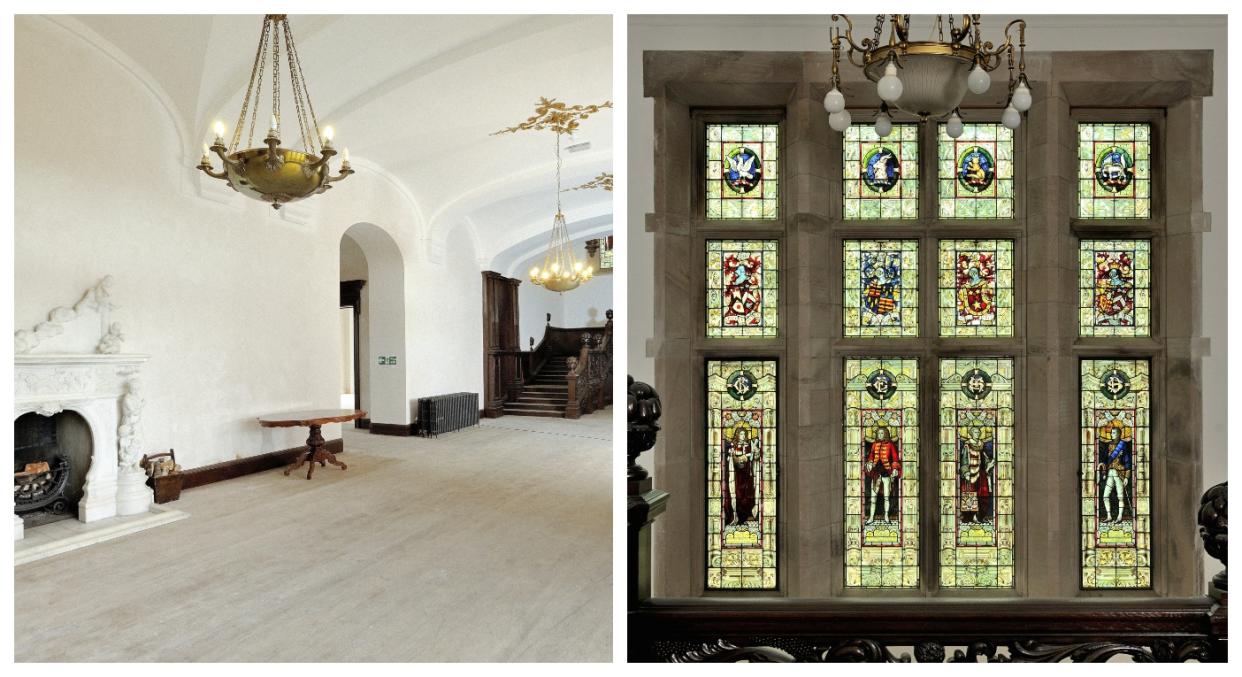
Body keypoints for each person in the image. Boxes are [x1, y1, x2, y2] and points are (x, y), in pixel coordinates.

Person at [864, 425, 901, 524]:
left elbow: (895, 458)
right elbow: (871, 456)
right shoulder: (874, 445)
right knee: (873, 497)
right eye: (878, 433)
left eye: (882, 433)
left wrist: (894, 469)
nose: (880, 435)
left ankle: (886, 516)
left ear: (885, 434)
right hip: (876, 473)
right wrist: (870, 463)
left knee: (886, 497)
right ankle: (871, 517)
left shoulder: (890, 445)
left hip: (886, 473)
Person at [958, 426, 995, 524]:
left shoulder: (981, 445)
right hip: (970, 474)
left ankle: (980, 516)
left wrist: (989, 464)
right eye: (975, 432)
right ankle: (969, 517)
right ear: (971, 433)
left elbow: (984, 459)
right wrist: (965, 472)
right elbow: (964, 460)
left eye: (978, 432)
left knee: (983, 495)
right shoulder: (967, 445)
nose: (977, 433)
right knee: (970, 495)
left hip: (981, 473)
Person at [1097, 424, 1132, 524]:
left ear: (1119, 434)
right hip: (1110, 472)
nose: (1111, 435)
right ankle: (1109, 516)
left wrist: (1126, 477)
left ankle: (1119, 517)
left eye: (1114, 433)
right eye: (1111, 433)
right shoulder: (1109, 445)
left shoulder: (1122, 445)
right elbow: (1107, 460)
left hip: (1120, 473)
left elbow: (1127, 461)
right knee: (1105, 496)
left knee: (1120, 496)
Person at [723, 426, 757, 526]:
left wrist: (747, 456)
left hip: (746, 474)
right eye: (741, 434)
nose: (743, 436)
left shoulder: (749, 445)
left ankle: (746, 515)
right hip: (737, 475)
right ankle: (736, 516)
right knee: (737, 493)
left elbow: (751, 457)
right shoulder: (733, 445)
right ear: (737, 435)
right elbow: (732, 459)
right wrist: (734, 457)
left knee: (747, 494)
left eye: (744, 434)